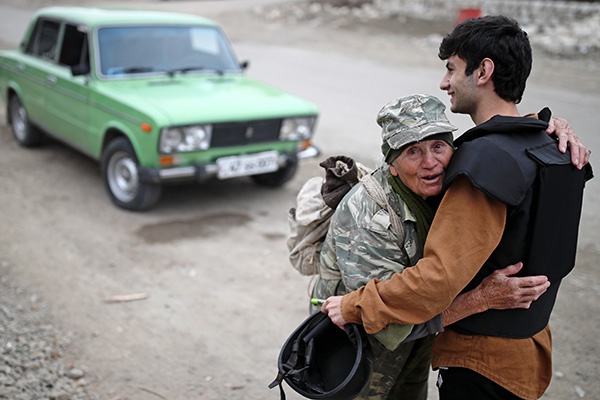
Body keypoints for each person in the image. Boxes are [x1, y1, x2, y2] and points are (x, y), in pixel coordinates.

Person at [321, 15, 593, 400]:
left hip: (482, 362)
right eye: (412, 151)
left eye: (451, 69)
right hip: (527, 350)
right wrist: (547, 123)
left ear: (483, 71)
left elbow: (437, 279)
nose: (444, 81)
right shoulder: (551, 147)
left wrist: (353, 306)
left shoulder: (485, 162)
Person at [311, 93, 551, 400]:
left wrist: (549, 127)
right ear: (392, 164)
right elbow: (391, 322)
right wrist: (482, 299)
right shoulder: (368, 217)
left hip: (417, 345)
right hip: (356, 351)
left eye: (438, 146)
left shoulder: (448, 182)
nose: (430, 162)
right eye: (413, 151)